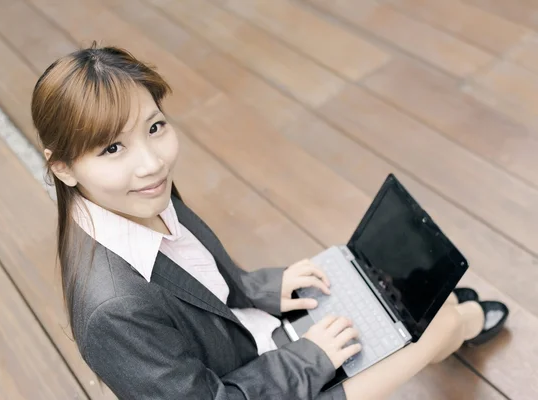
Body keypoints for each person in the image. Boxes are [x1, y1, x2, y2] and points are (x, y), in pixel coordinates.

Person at [31, 43, 509, 400]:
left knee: (407, 304)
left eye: (155, 127)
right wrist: (309, 359)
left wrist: (262, 287)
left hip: (264, 343)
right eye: (112, 148)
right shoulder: (112, 309)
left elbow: (205, 285)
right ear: (63, 167)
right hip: (271, 377)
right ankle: (463, 326)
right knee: (441, 322)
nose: (151, 162)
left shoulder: (128, 195)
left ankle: (431, 322)